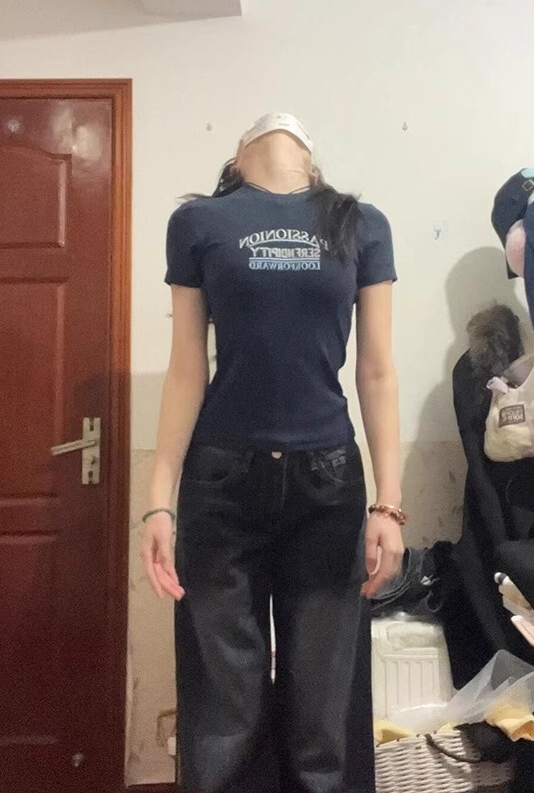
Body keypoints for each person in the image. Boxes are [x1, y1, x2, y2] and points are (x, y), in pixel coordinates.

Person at [141, 112, 404, 793]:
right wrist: (158, 503)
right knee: (224, 708)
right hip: (221, 481)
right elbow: (185, 369)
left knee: (323, 707)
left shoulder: (361, 224)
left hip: (328, 482)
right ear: (234, 160)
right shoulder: (199, 223)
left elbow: (377, 370)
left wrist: (389, 506)